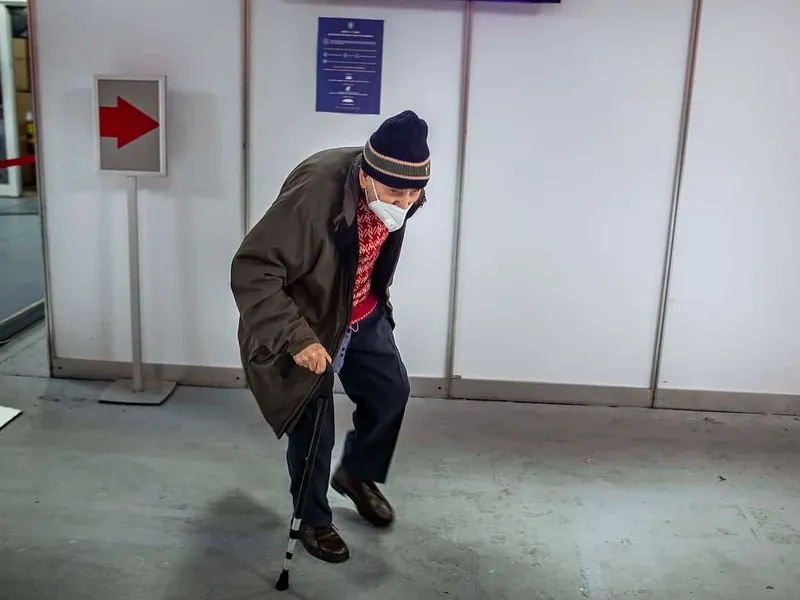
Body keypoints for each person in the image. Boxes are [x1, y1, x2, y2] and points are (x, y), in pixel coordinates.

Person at [230, 110, 431, 564]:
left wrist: (371, 299)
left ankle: (356, 475)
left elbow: (372, 247)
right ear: (366, 177)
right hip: (308, 318)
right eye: (395, 193)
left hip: (361, 309)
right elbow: (254, 269)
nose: (404, 204)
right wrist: (296, 338)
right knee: (313, 423)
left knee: (390, 392)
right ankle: (313, 519)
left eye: (414, 194)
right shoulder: (314, 195)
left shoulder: (404, 191)